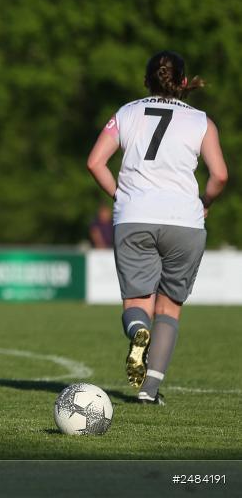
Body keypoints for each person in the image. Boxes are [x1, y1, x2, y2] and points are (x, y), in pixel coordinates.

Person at [86, 51, 227, 405]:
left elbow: (95, 162)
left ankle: (138, 331)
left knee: (137, 303)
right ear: (183, 82)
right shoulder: (202, 122)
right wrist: (206, 202)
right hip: (185, 220)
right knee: (169, 308)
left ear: (146, 81)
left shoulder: (126, 113)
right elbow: (220, 175)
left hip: (135, 216)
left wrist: (121, 195)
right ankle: (149, 391)